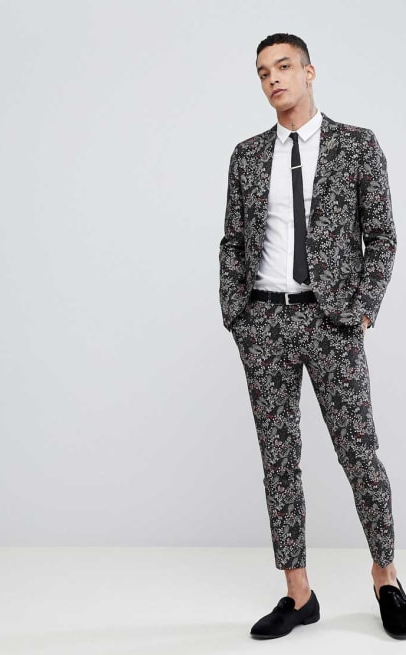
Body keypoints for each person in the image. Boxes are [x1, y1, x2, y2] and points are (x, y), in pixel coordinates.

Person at [219, 33, 405, 640]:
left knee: (359, 454)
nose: (273, 79)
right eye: (262, 72)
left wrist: (363, 310)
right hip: (265, 321)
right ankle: (298, 594)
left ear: (309, 72)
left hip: (332, 322)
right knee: (279, 460)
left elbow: (382, 236)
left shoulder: (356, 145)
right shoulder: (247, 156)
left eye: (283, 67)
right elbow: (233, 242)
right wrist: (237, 315)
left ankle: (386, 578)